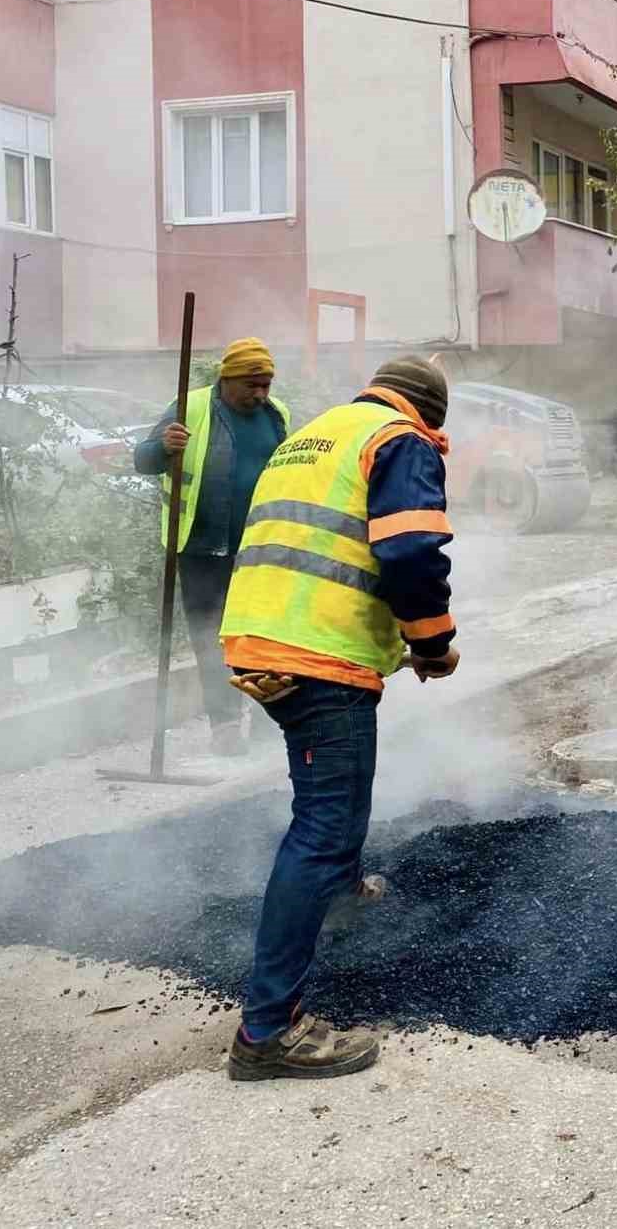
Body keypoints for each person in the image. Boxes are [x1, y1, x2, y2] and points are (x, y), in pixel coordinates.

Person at [219, 356, 460, 1081]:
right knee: (324, 827)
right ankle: (269, 1032)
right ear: (428, 414)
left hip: (263, 637)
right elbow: (411, 551)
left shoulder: (318, 434)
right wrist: (433, 643)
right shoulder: (399, 439)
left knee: (334, 798)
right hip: (317, 652)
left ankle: (346, 894)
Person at [135, 338, 290, 757]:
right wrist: (164, 447)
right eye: (251, 385)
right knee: (212, 640)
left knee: (263, 637)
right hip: (201, 548)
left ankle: (265, 720)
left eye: (266, 385)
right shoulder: (193, 408)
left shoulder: (277, 417)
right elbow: (143, 461)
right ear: (228, 379)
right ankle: (224, 725)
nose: (260, 394)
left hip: (260, 548)